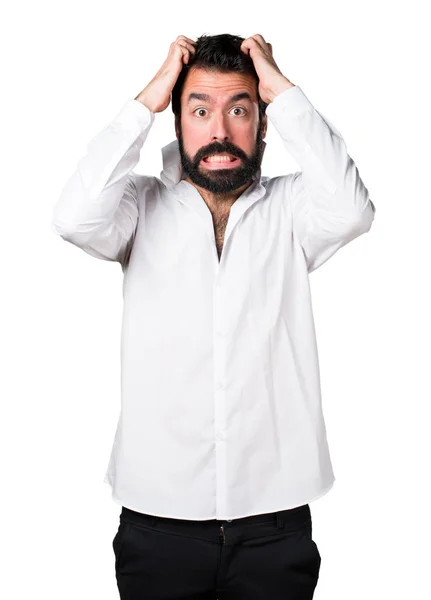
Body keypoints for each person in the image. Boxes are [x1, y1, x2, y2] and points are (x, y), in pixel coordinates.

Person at [51, 32, 376, 600]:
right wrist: (145, 102)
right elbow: (74, 218)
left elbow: (353, 209)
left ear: (264, 122)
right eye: (199, 110)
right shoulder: (138, 205)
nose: (219, 131)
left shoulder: (295, 207)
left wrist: (284, 89)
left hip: (275, 528)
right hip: (157, 526)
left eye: (239, 110)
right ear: (178, 122)